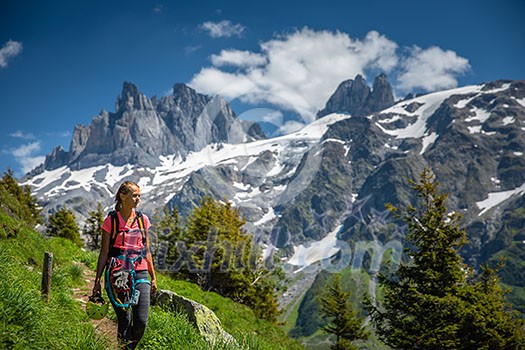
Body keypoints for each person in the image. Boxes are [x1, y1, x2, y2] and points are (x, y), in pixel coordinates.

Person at [92, 181, 157, 349]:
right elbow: (104, 252)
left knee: (141, 321)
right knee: (125, 319)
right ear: (122, 196)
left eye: (139, 196)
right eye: (134, 195)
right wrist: (97, 280)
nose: (138, 199)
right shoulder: (111, 220)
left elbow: (147, 249)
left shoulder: (143, 220)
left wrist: (153, 277)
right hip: (117, 274)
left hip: (140, 272)